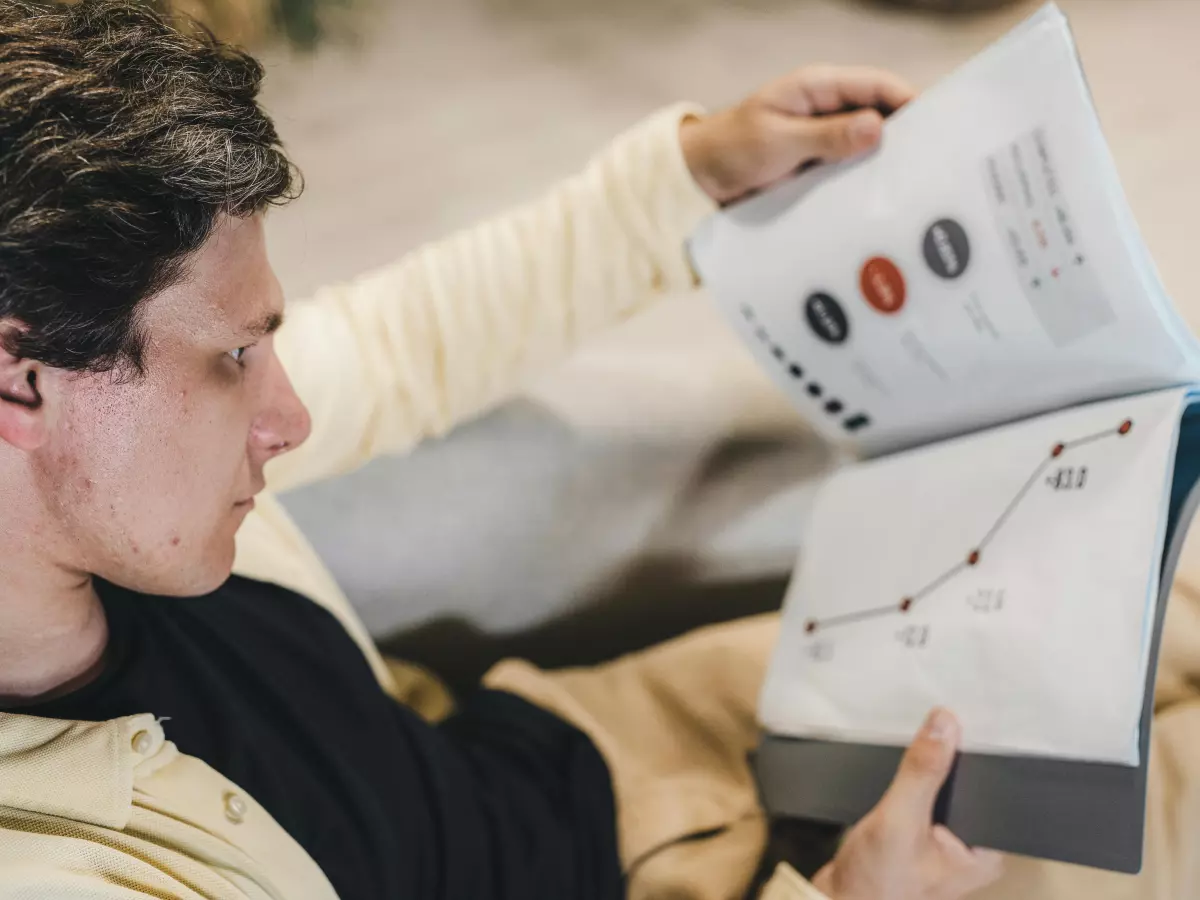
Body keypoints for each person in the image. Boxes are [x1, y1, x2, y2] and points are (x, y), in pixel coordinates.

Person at [0, 2, 1196, 899]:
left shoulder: (126, 489)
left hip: (600, 749)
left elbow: (409, 339)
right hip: (739, 880)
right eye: (231, 359)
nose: (293, 416)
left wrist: (683, 178)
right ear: (20, 374)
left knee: (1157, 567)